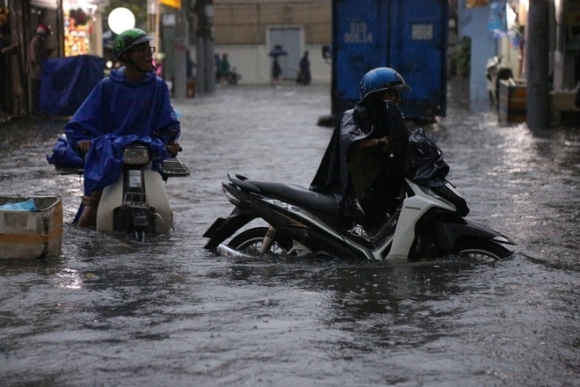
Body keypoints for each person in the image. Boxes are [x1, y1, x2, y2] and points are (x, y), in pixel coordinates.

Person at [64, 28, 181, 228]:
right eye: (142, 50)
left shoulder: (158, 87)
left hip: (146, 156)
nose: (148, 54)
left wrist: (169, 142)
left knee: (165, 219)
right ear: (126, 56)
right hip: (109, 158)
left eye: (149, 49)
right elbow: (81, 122)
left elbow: (168, 123)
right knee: (88, 218)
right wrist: (83, 141)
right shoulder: (107, 86)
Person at [310, 67, 412, 235]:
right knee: (374, 221)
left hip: (377, 181)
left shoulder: (389, 115)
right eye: (393, 94)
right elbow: (351, 143)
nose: (398, 100)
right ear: (377, 94)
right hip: (357, 186)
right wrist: (378, 142)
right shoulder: (352, 117)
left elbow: (402, 141)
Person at [26, 24, 56, 115]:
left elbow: (41, 54)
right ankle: (34, 110)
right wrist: (39, 65)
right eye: (45, 36)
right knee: (35, 91)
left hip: (38, 71)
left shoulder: (39, 43)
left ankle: (38, 109)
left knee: (38, 90)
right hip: (35, 71)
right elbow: (34, 57)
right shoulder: (34, 42)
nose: (46, 39)